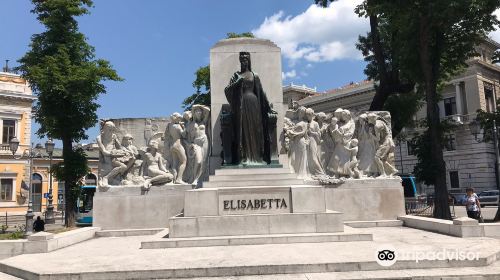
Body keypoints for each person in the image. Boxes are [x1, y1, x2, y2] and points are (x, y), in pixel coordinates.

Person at [224, 51, 274, 165]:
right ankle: (244, 157)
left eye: (246, 60)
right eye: (242, 60)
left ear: (249, 61)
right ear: (239, 61)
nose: (244, 62)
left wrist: (269, 108)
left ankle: (257, 157)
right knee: (243, 131)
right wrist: (237, 83)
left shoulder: (254, 75)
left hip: (254, 103)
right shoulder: (236, 75)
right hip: (241, 106)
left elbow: (261, 92)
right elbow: (227, 90)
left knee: (255, 129)